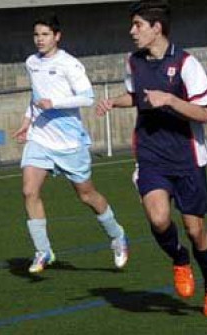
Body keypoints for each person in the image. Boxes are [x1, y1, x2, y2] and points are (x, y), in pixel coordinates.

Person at [95, 0, 207, 317]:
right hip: (151, 156)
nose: (132, 31)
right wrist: (114, 101)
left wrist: (169, 99)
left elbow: (204, 113)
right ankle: (180, 259)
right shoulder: (134, 62)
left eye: (138, 25)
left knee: (196, 231)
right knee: (158, 219)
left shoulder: (186, 63)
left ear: (157, 28)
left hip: (188, 158)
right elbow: (137, 96)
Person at [12, 14, 129, 275]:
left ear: (57, 36)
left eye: (44, 34)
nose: (39, 40)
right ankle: (43, 250)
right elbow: (35, 97)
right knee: (29, 191)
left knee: (86, 194)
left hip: (69, 143)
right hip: (40, 138)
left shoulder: (70, 64)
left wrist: (55, 103)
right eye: (36, 35)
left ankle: (117, 235)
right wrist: (26, 121)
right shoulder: (31, 63)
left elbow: (87, 98)